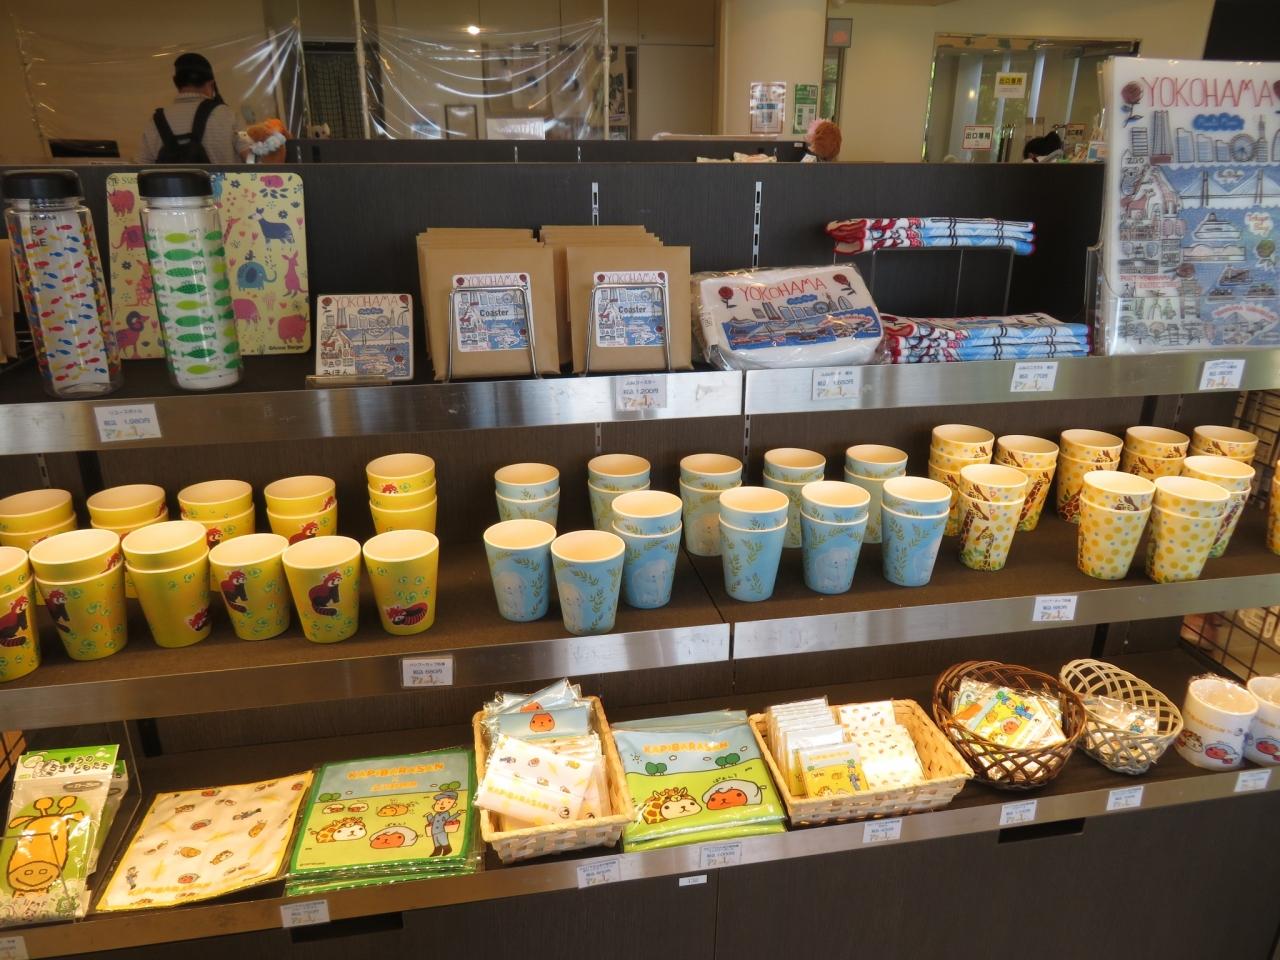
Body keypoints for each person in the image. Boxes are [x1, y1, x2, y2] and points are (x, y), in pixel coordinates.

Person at [138, 53, 249, 164]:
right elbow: (252, 160)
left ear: (175, 82)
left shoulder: (155, 122)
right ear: (211, 84)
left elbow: (140, 168)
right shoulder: (229, 116)